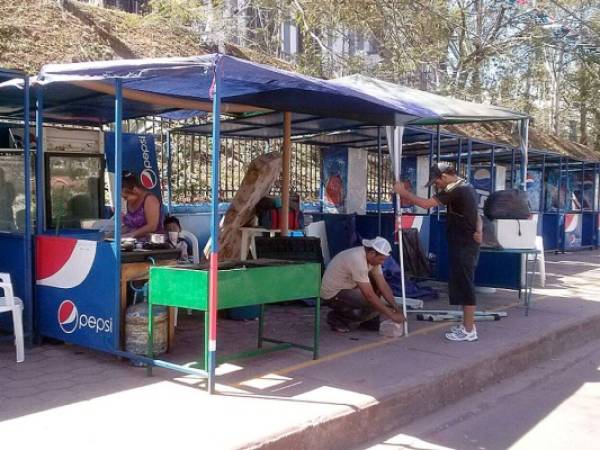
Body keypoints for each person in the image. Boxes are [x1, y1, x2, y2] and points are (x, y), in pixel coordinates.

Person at [394, 162, 482, 342]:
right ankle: (467, 325)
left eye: (436, 182)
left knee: (465, 285)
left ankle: (469, 329)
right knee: (461, 283)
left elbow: (426, 204)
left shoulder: (456, 190)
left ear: (444, 177)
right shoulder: (467, 187)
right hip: (464, 242)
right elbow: (477, 214)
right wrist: (480, 230)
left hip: (464, 244)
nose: (436, 186)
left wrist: (403, 193)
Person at [320, 236, 406, 333]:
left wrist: (396, 307)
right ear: (372, 253)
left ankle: (367, 320)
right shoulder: (357, 259)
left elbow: (383, 285)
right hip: (333, 293)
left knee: (381, 302)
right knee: (375, 302)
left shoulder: (373, 260)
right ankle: (338, 318)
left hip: (348, 288)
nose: (382, 263)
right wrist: (391, 314)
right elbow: (369, 295)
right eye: (381, 260)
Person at [121, 171, 163, 239]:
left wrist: (130, 235)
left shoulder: (150, 200)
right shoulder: (130, 202)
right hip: (133, 242)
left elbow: (152, 226)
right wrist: (114, 235)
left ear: (134, 190)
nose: (125, 200)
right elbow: (130, 226)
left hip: (152, 243)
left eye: (126, 197)